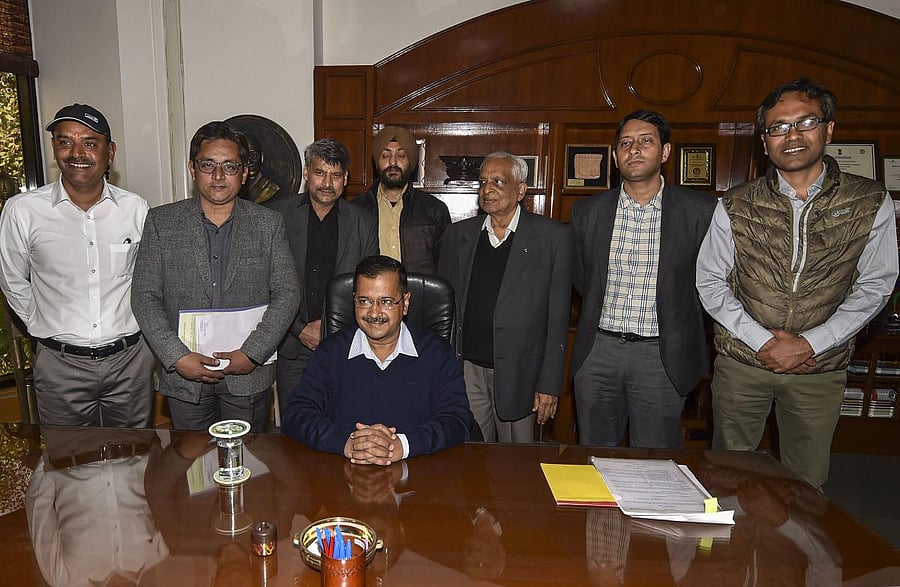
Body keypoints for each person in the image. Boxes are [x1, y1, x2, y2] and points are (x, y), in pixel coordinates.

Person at [696, 79, 898, 488]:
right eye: (778, 127)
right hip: (743, 365)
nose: (791, 135)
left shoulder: (870, 201)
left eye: (805, 122)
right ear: (764, 141)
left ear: (828, 130)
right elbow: (711, 281)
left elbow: (876, 285)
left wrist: (811, 344)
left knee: (805, 486)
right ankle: (732, 554)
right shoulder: (736, 202)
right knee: (728, 478)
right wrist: (763, 342)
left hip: (818, 369)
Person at [131, 121, 299, 432]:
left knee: (248, 465)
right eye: (208, 164)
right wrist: (176, 357)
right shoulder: (161, 222)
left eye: (229, 166)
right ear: (193, 169)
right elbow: (144, 295)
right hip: (184, 377)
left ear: (245, 173)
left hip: (247, 375)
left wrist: (253, 353)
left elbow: (288, 292)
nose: (218, 175)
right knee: (194, 470)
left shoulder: (268, 224)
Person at [0, 103, 156, 426]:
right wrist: (42, 322)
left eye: (89, 142)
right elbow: (12, 281)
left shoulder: (135, 209)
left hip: (129, 362)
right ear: (54, 148)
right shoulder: (22, 211)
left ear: (109, 152)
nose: (76, 152)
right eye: (65, 141)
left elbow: (149, 281)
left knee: (134, 458)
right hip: (60, 366)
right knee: (68, 465)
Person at [570, 110, 716, 449]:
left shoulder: (701, 211)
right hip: (598, 352)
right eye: (625, 143)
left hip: (661, 355)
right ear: (615, 156)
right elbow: (581, 276)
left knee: (655, 463)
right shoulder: (587, 212)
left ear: (665, 153)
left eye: (645, 141)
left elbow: (714, 281)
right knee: (594, 458)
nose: (634, 149)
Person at [282, 255, 470, 464]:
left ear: (405, 303)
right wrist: (346, 442)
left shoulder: (437, 353)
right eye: (364, 301)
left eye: (386, 301)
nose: (374, 312)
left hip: (419, 475)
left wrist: (402, 445)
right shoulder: (331, 352)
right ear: (353, 300)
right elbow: (297, 414)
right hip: (343, 476)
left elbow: (457, 420)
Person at [438, 152, 572, 442]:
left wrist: (549, 384)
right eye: (483, 181)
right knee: (469, 458)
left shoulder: (552, 238)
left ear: (521, 189)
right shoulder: (458, 235)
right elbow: (446, 309)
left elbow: (558, 319)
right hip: (467, 369)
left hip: (521, 373)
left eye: (499, 181)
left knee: (517, 466)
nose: (488, 189)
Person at [266, 138, 377, 419]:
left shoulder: (363, 221)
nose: (327, 182)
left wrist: (329, 326)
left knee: (345, 424)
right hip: (292, 344)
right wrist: (299, 328)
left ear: (346, 179)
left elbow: (368, 285)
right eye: (320, 172)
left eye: (336, 175)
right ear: (306, 173)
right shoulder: (276, 216)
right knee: (296, 428)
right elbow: (266, 282)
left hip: (345, 342)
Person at [351, 126, 450, 273]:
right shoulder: (356, 210)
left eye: (401, 156)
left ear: (411, 162)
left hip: (421, 294)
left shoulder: (434, 210)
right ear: (377, 162)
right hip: (373, 294)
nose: (393, 162)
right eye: (385, 156)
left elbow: (447, 266)